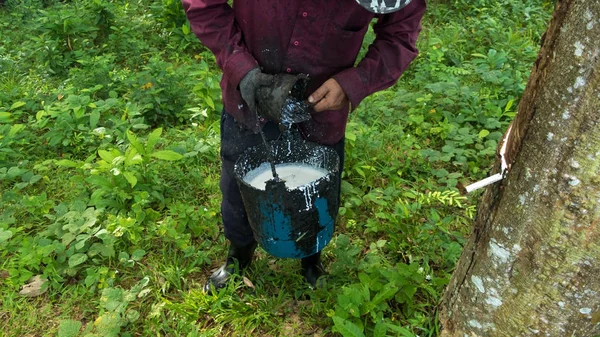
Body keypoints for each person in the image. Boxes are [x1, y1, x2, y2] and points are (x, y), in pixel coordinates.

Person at [182, 0, 426, 293]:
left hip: (320, 108)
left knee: (316, 193)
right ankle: (239, 256)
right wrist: (241, 68)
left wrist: (354, 83)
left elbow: (400, 35)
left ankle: (311, 259)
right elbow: (203, 5)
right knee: (238, 188)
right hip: (249, 98)